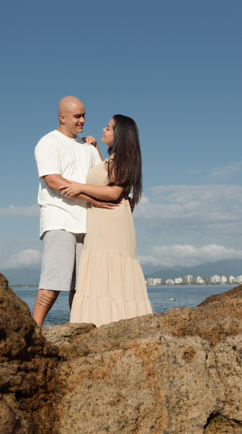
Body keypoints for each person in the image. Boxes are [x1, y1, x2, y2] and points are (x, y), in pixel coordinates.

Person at [59, 114, 153, 326]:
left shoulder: (122, 159)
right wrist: (95, 150)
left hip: (110, 220)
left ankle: (106, 322)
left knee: (108, 266)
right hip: (105, 219)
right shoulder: (117, 159)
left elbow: (112, 192)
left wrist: (79, 187)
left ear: (119, 136)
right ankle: (107, 321)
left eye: (109, 128)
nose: (103, 129)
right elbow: (108, 177)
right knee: (105, 270)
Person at [33, 96, 113, 327]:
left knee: (81, 285)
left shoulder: (86, 147)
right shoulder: (48, 142)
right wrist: (92, 200)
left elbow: (103, 177)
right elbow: (54, 182)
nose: (82, 120)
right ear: (62, 117)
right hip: (59, 218)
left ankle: (78, 327)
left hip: (86, 221)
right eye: (77, 116)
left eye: (84, 115)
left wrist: (96, 148)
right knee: (53, 279)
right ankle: (33, 329)